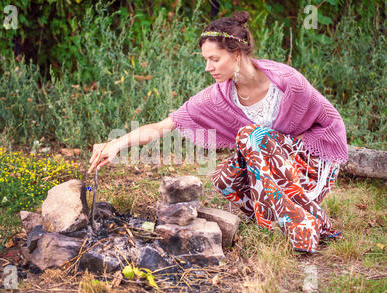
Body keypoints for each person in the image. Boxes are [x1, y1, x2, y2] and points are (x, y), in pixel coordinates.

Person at [88, 11, 347, 253]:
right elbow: (164, 125)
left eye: (214, 59)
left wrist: (289, 145)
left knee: (251, 136)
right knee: (223, 177)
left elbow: (330, 120)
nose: (208, 68)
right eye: (205, 60)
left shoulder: (288, 83)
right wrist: (117, 143)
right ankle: (288, 218)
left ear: (236, 53)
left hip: (310, 164)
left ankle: (301, 225)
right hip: (273, 169)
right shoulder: (219, 96)